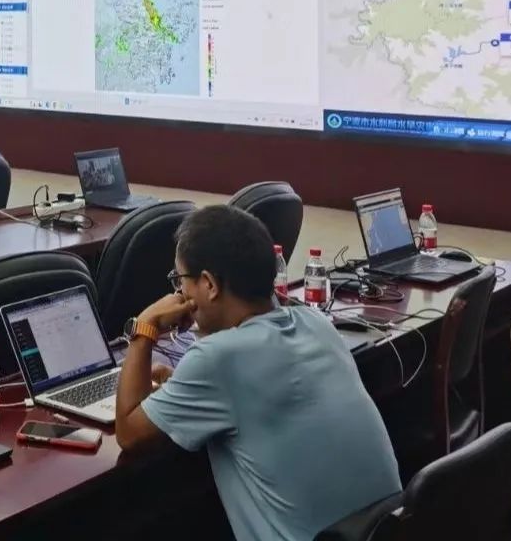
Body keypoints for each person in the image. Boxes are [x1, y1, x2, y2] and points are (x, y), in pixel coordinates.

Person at [114, 205, 401, 541]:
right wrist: (185, 385)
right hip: (389, 530)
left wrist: (144, 326)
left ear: (209, 284)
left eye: (180, 282)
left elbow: (129, 433)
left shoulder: (215, 360)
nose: (179, 295)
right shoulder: (316, 323)